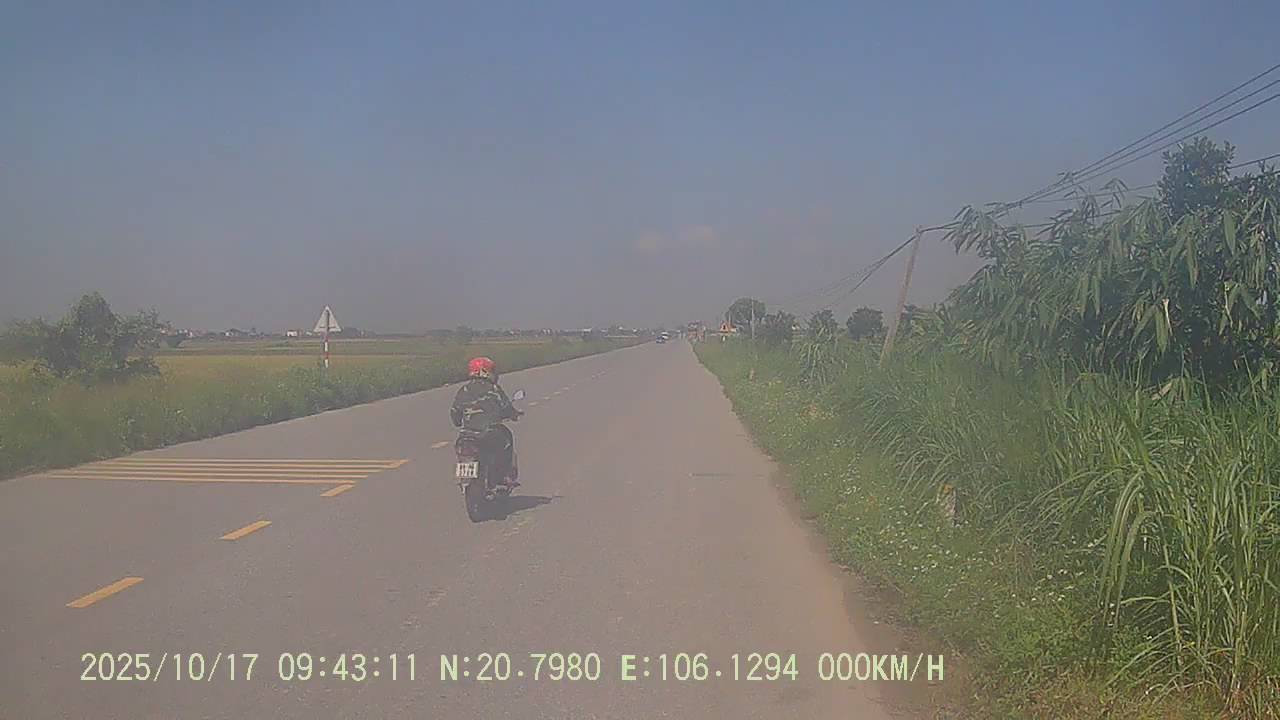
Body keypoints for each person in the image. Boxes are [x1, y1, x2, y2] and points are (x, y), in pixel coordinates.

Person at [450, 356, 521, 488]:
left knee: (463, 451)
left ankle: (465, 479)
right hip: (490, 432)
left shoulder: (464, 390)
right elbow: (506, 407)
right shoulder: (494, 389)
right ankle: (504, 475)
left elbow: (455, 413)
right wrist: (513, 414)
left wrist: (460, 421)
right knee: (507, 439)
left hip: (466, 436)